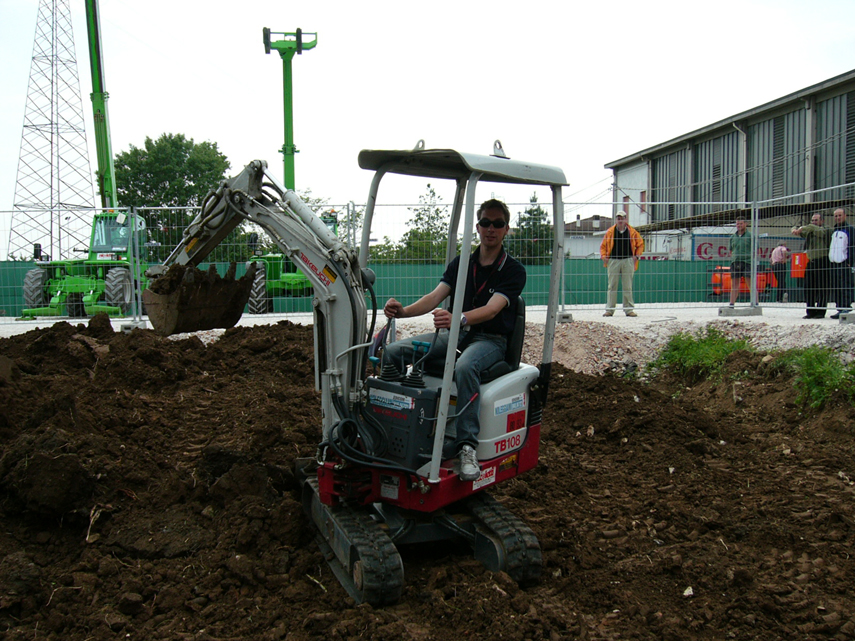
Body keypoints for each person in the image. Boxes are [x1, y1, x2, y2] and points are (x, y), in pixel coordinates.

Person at [382, 199, 526, 482]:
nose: (491, 228)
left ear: (506, 229)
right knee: (393, 352)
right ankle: (395, 426)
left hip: (490, 340)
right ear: (478, 227)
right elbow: (435, 297)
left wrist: (458, 318)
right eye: (486, 222)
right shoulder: (463, 263)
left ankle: (467, 446)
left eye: (497, 224)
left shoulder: (513, 270)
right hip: (458, 334)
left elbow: (492, 309)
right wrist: (404, 312)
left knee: (465, 367)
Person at [599, 212, 644, 317]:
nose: (620, 220)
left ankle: (629, 309)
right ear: (616, 220)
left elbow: (640, 244)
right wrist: (604, 257)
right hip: (613, 260)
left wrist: (637, 256)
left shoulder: (632, 232)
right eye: (618, 218)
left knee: (627, 286)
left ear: (625, 220)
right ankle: (610, 310)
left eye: (622, 218)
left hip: (628, 260)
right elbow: (603, 246)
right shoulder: (610, 232)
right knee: (612, 286)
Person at [792, 213, 831, 319]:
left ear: (822, 221)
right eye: (812, 220)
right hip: (811, 261)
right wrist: (796, 229)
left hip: (822, 261)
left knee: (822, 287)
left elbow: (820, 232)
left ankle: (821, 311)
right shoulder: (809, 231)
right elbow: (798, 230)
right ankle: (810, 311)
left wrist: (805, 227)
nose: (814, 222)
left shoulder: (826, 230)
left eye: (816, 220)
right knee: (808, 286)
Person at [828, 208, 855, 319]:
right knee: (836, 287)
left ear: (845, 216)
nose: (838, 218)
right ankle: (839, 308)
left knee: (845, 286)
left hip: (844, 263)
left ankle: (846, 307)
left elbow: (852, 246)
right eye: (836, 216)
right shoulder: (834, 230)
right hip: (834, 264)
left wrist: (849, 262)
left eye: (840, 215)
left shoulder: (850, 229)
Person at [727, 218, 752, 307]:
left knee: (751, 284)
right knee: (734, 285)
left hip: (747, 262)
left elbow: (756, 250)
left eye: (741, 224)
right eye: (737, 224)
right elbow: (731, 251)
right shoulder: (733, 237)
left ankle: (755, 303)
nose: (739, 226)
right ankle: (731, 304)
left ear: (745, 224)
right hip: (735, 262)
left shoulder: (750, 236)